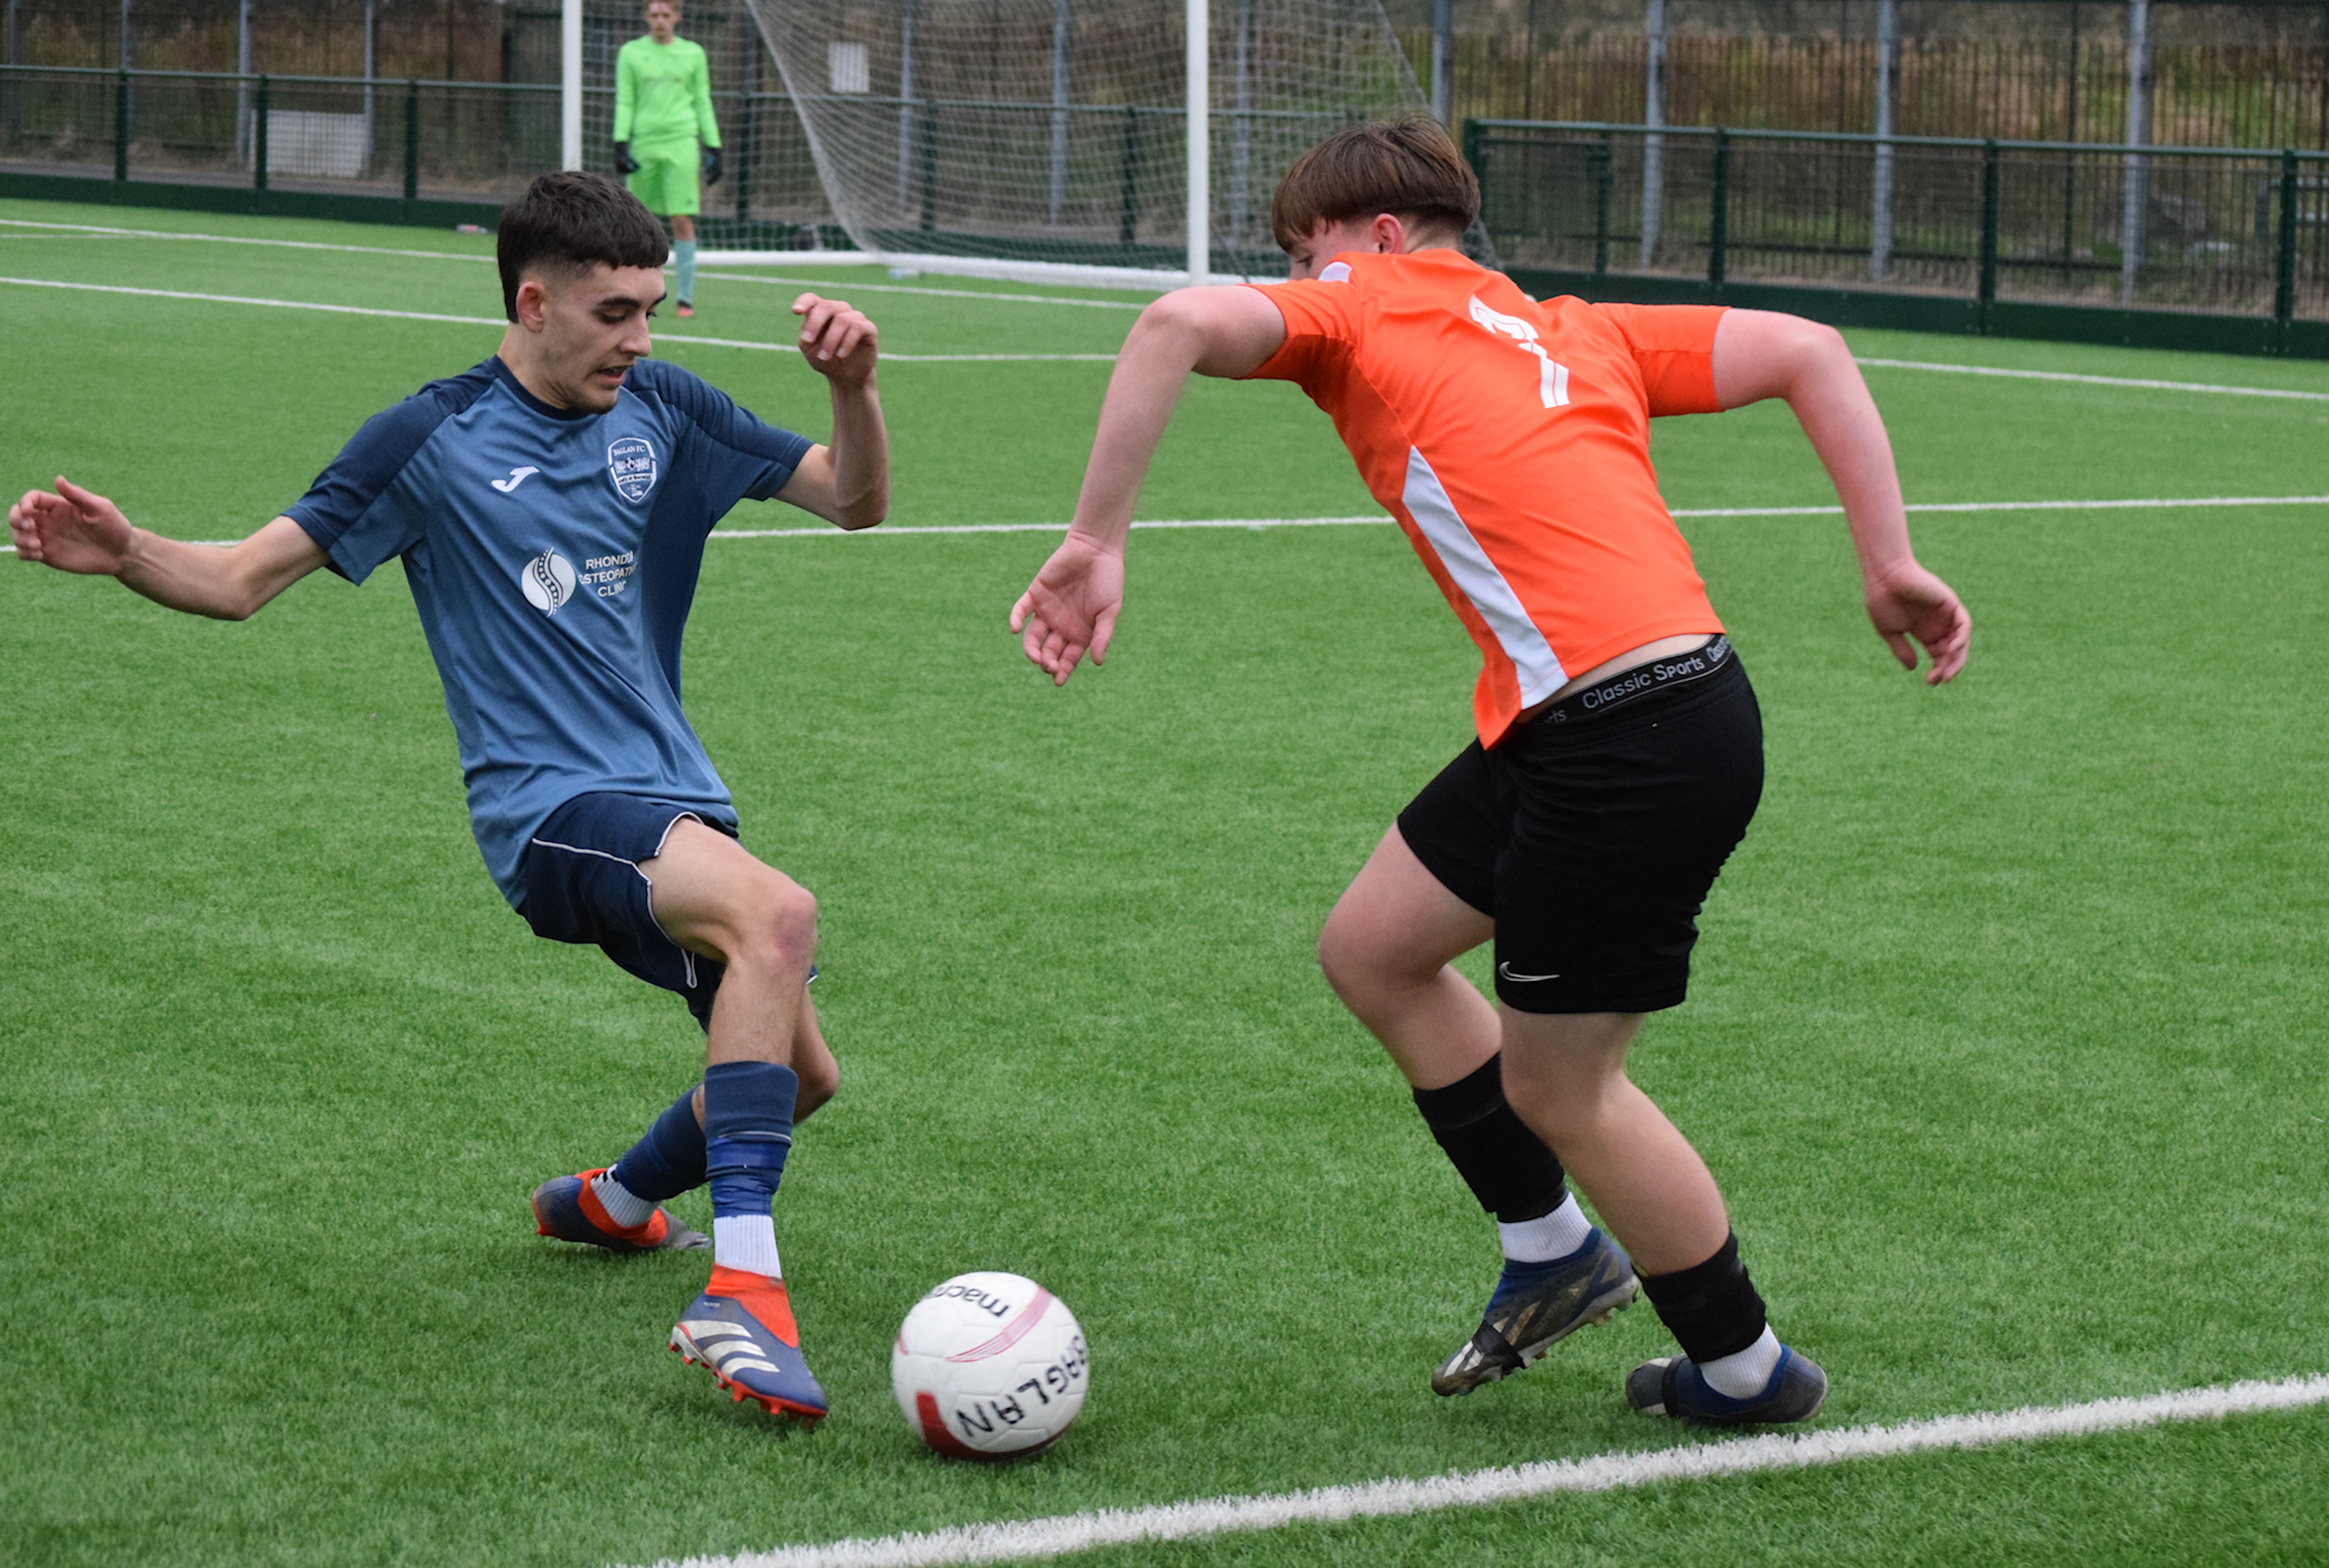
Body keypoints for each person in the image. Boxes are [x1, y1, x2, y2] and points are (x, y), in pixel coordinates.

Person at [1010, 119, 1969, 1425]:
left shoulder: (1356, 312)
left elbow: (1175, 320)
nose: (1299, 279)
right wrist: (1888, 559)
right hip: (1605, 716)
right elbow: (1811, 348)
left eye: (1311, 251)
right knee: (1374, 947)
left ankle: (1748, 1369)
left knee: (1561, 1083)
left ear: (1383, 237)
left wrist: (1094, 539)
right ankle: (1552, 1251)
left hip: (1625, 740)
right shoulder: (1577, 327)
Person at [8, 171, 888, 1426]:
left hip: (675, 801)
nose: (641, 338)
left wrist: (853, 391)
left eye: (649, 311)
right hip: (550, 813)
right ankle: (742, 1288)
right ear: (534, 303)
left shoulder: (667, 408)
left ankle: (612, 1201)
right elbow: (246, 578)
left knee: (801, 1077)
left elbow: (856, 500)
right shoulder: (429, 438)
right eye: (613, 314)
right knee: (777, 917)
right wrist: (131, 550)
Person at [614, 0, 722, 318]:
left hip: (681, 142)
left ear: (677, 16)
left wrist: (714, 145)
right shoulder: (631, 53)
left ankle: (684, 298)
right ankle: (631, 293)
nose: (660, 20)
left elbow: (702, 100)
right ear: (646, 17)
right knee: (636, 222)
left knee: (681, 218)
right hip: (645, 142)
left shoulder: (693, 54)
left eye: (666, 14)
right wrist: (620, 142)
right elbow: (625, 100)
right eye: (654, 15)